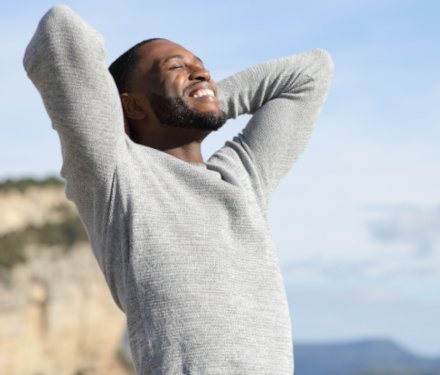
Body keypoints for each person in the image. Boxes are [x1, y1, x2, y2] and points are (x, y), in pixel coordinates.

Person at [24, 5, 333, 375]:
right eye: (175, 67)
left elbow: (311, 72)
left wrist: (206, 100)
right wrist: (141, 115)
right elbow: (59, 30)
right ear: (132, 104)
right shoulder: (116, 174)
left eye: (201, 65)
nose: (201, 72)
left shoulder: (243, 178)